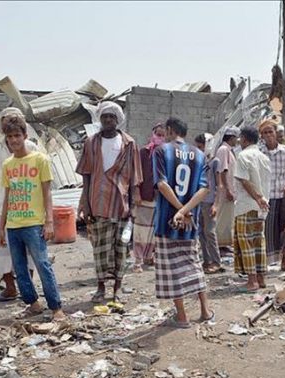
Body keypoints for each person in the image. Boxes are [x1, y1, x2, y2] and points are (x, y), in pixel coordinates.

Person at [0, 115, 65, 322]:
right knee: (19, 268)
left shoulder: (40, 160)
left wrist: (49, 221)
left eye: (17, 135)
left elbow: (47, 193)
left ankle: (56, 307)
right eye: (10, 137)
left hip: (34, 224)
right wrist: (1, 227)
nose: (14, 140)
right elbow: (7, 197)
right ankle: (33, 304)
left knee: (43, 265)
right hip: (13, 224)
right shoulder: (7, 165)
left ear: (25, 136)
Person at [76, 102, 141, 304]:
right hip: (98, 202)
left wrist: (135, 205)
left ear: (117, 120)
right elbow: (86, 175)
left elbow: (135, 178)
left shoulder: (129, 144)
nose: (108, 120)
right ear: (100, 119)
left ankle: (117, 287)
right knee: (100, 249)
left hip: (121, 204)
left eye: (112, 117)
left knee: (121, 249)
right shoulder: (91, 143)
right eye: (104, 116)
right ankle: (101, 287)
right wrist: (85, 203)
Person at [153, 117, 213, 328]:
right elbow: (204, 189)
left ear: (170, 130)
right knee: (193, 263)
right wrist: (186, 211)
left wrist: (179, 210)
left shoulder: (161, 151)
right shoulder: (200, 155)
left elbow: (162, 184)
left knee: (172, 269)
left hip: (166, 221)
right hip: (190, 223)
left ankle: (182, 316)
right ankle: (205, 311)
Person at [0, 108, 39, 302]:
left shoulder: (32, 147)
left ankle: (28, 288)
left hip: (26, 203)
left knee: (28, 248)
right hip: (2, 203)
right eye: (6, 120)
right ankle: (10, 288)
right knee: (2, 248)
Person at [233, 127, 271, 292]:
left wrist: (257, 197)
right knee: (258, 241)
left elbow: (244, 181)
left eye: (240, 138)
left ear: (245, 139)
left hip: (247, 205)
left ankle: (252, 281)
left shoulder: (243, 156)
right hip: (261, 207)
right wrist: (261, 199)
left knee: (246, 242)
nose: (239, 141)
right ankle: (261, 278)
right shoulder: (264, 157)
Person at [258, 119, 285, 272]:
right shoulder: (259, 152)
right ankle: (265, 262)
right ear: (261, 136)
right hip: (266, 197)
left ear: (276, 133)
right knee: (267, 230)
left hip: (282, 196)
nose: (268, 135)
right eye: (265, 133)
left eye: (270, 131)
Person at [132, 123, 164, 273]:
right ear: (152, 134)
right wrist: (137, 191)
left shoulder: (166, 153)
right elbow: (136, 173)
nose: (160, 138)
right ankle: (138, 261)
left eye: (163, 135)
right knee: (141, 230)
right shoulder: (144, 152)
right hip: (145, 196)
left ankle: (151, 256)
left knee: (156, 230)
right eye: (158, 134)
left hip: (161, 198)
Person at [194, 133, 223, 274]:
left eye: (201, 147)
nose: (199, 149)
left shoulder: (215, 162)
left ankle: (216, 262)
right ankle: (207, 261)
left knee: (210, 232)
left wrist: (216, 205)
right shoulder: (200, 161)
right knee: (201, 232)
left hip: (209, 202)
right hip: (199, 201)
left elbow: (219, 185)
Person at [214, 126, 239, 251]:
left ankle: (224, 243)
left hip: (229, 190)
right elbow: (222, 171)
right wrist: (228, 189)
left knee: (227, 218)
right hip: (225, 191)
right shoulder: (224, 150)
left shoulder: (229, 150)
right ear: (231, 138)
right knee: (222, 217)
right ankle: (219, 244)